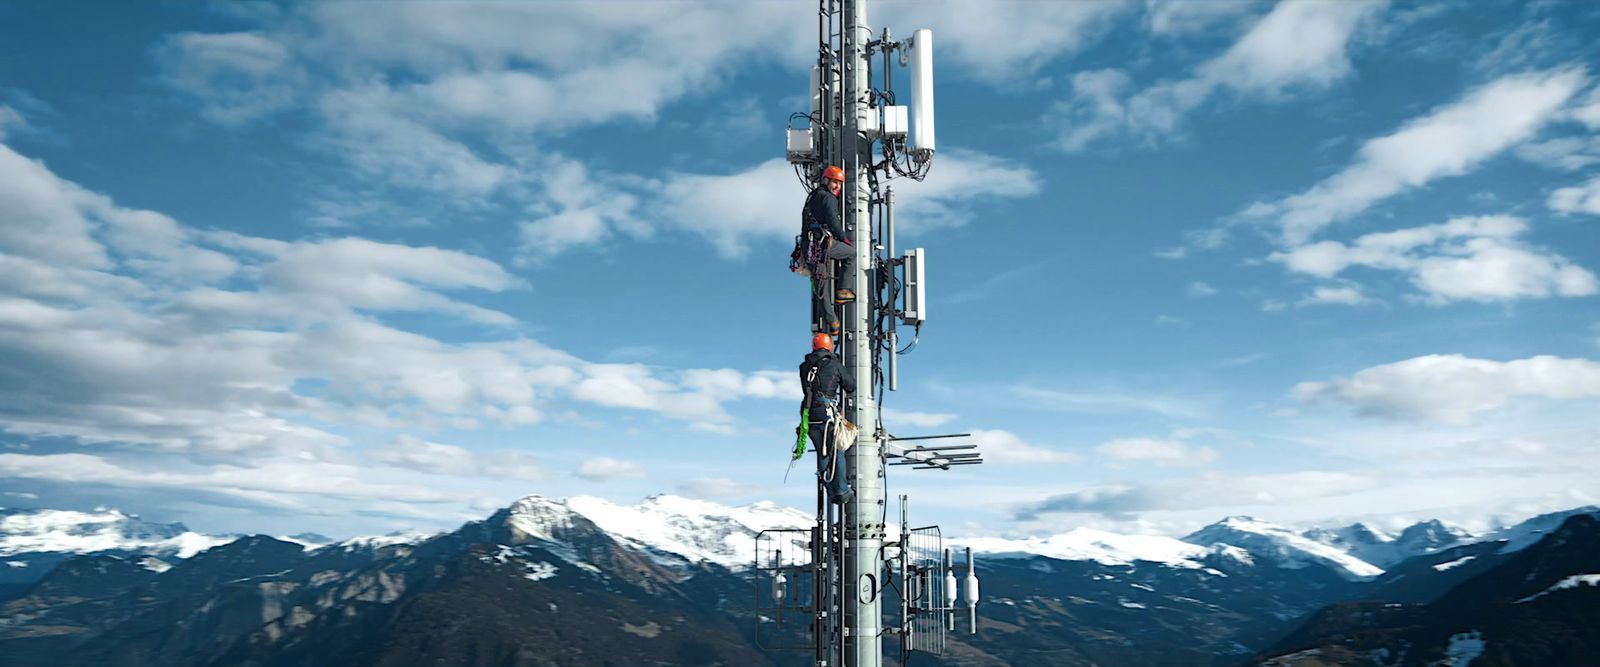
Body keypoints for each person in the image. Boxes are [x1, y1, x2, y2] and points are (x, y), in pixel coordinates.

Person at [799, 332, 855, 504]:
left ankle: (831, 490)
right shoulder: (834, 364)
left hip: (809, 415)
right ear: (829, 346)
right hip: (826, 413)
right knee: (835, 450)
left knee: (822, 453)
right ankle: (842, 490)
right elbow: (850, 385)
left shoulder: (804, 366)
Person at [802, 165, 856, 305]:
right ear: (825, 181)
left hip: (809, 245)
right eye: (834, 182)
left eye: (839, 183)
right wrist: (843, 238)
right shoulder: (829, 198)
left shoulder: (813, 196)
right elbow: (833, 221)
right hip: (821, 243)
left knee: (821, 284)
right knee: (851, 253)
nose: (837, 186)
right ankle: (843, 291)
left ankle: (832, 322)